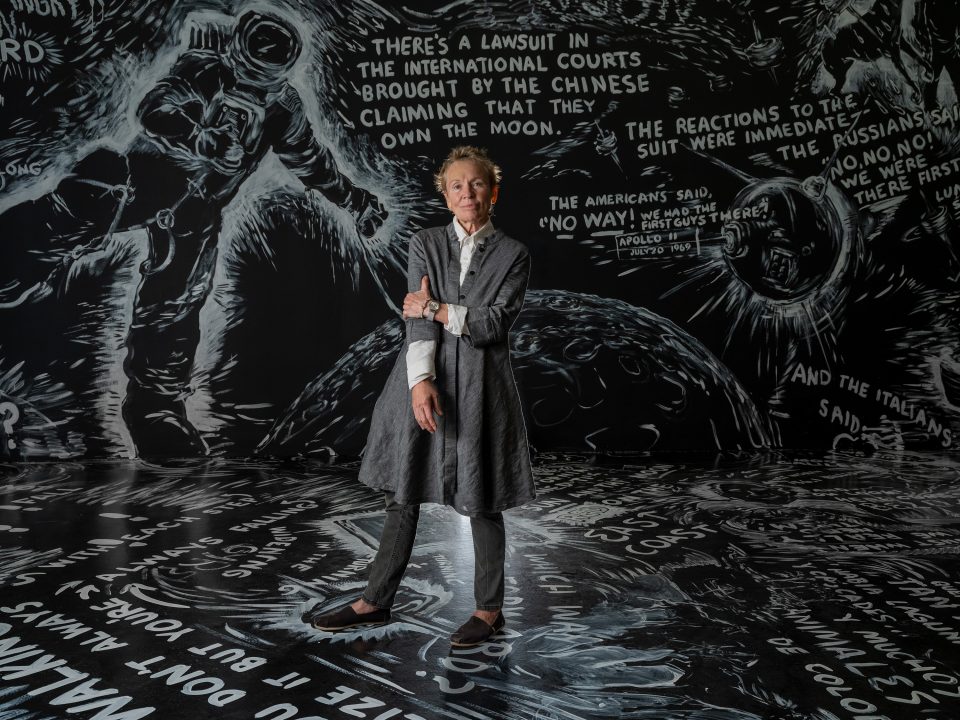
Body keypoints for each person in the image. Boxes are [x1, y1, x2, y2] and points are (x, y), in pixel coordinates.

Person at [0, 9, 387, 457]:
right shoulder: (204, 68)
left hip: (197, 212)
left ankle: (155, 409)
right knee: (93, 190)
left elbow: (311, 160)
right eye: (247, 73)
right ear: (237, 54)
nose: (251, 90)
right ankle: (16, 258)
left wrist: (356, 202)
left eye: (263, 81)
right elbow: (155, 108)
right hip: (144, 181)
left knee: (176, 301)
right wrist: (202, 138)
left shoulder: (282, 107)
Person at [304, 146, 535, 647]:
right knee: (402, 495)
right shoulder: (425, 243)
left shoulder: (514, 254)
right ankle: (375, 602)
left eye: (476, 184)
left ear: (494, 192)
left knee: (483, 499)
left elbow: (493, 325)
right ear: (445, 195)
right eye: (457, 186)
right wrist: (420, 382)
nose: (467, 193)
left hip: (481, 389)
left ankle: (488, 611)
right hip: (424, 380)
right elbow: (417, 320)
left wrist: (432, 305)